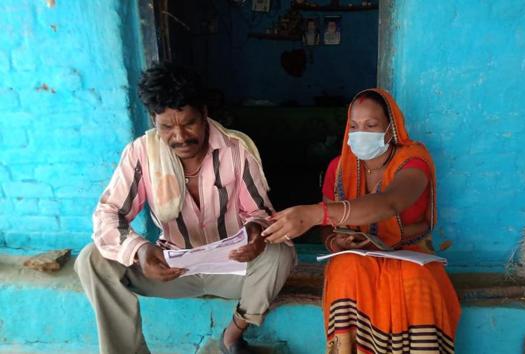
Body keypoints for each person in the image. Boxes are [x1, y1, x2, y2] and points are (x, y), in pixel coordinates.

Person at [75, 62, 295, 354]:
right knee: (92, 259)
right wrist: (140, 251)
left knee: (280, 252)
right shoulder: (141, 153)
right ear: (155, 121)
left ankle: (233, 335)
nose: (179, 136)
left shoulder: (236, 150)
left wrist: (255, 232)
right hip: (171, 270)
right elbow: (108, 214)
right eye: (167, 127)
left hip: (232, 269)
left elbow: (260, 213)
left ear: (204, 114)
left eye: (189, 123)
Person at [263, 89, 461, 353]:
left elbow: (390, 202)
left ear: (391, 129)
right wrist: (336, 241)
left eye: (371, 125)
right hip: (360, 255)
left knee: (416, 280)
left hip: (410, 254)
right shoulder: (340, 167)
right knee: (346, 269)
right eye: (354, 126)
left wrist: (314, 213)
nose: (361, 133)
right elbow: (327, 230)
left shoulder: (413, 161)